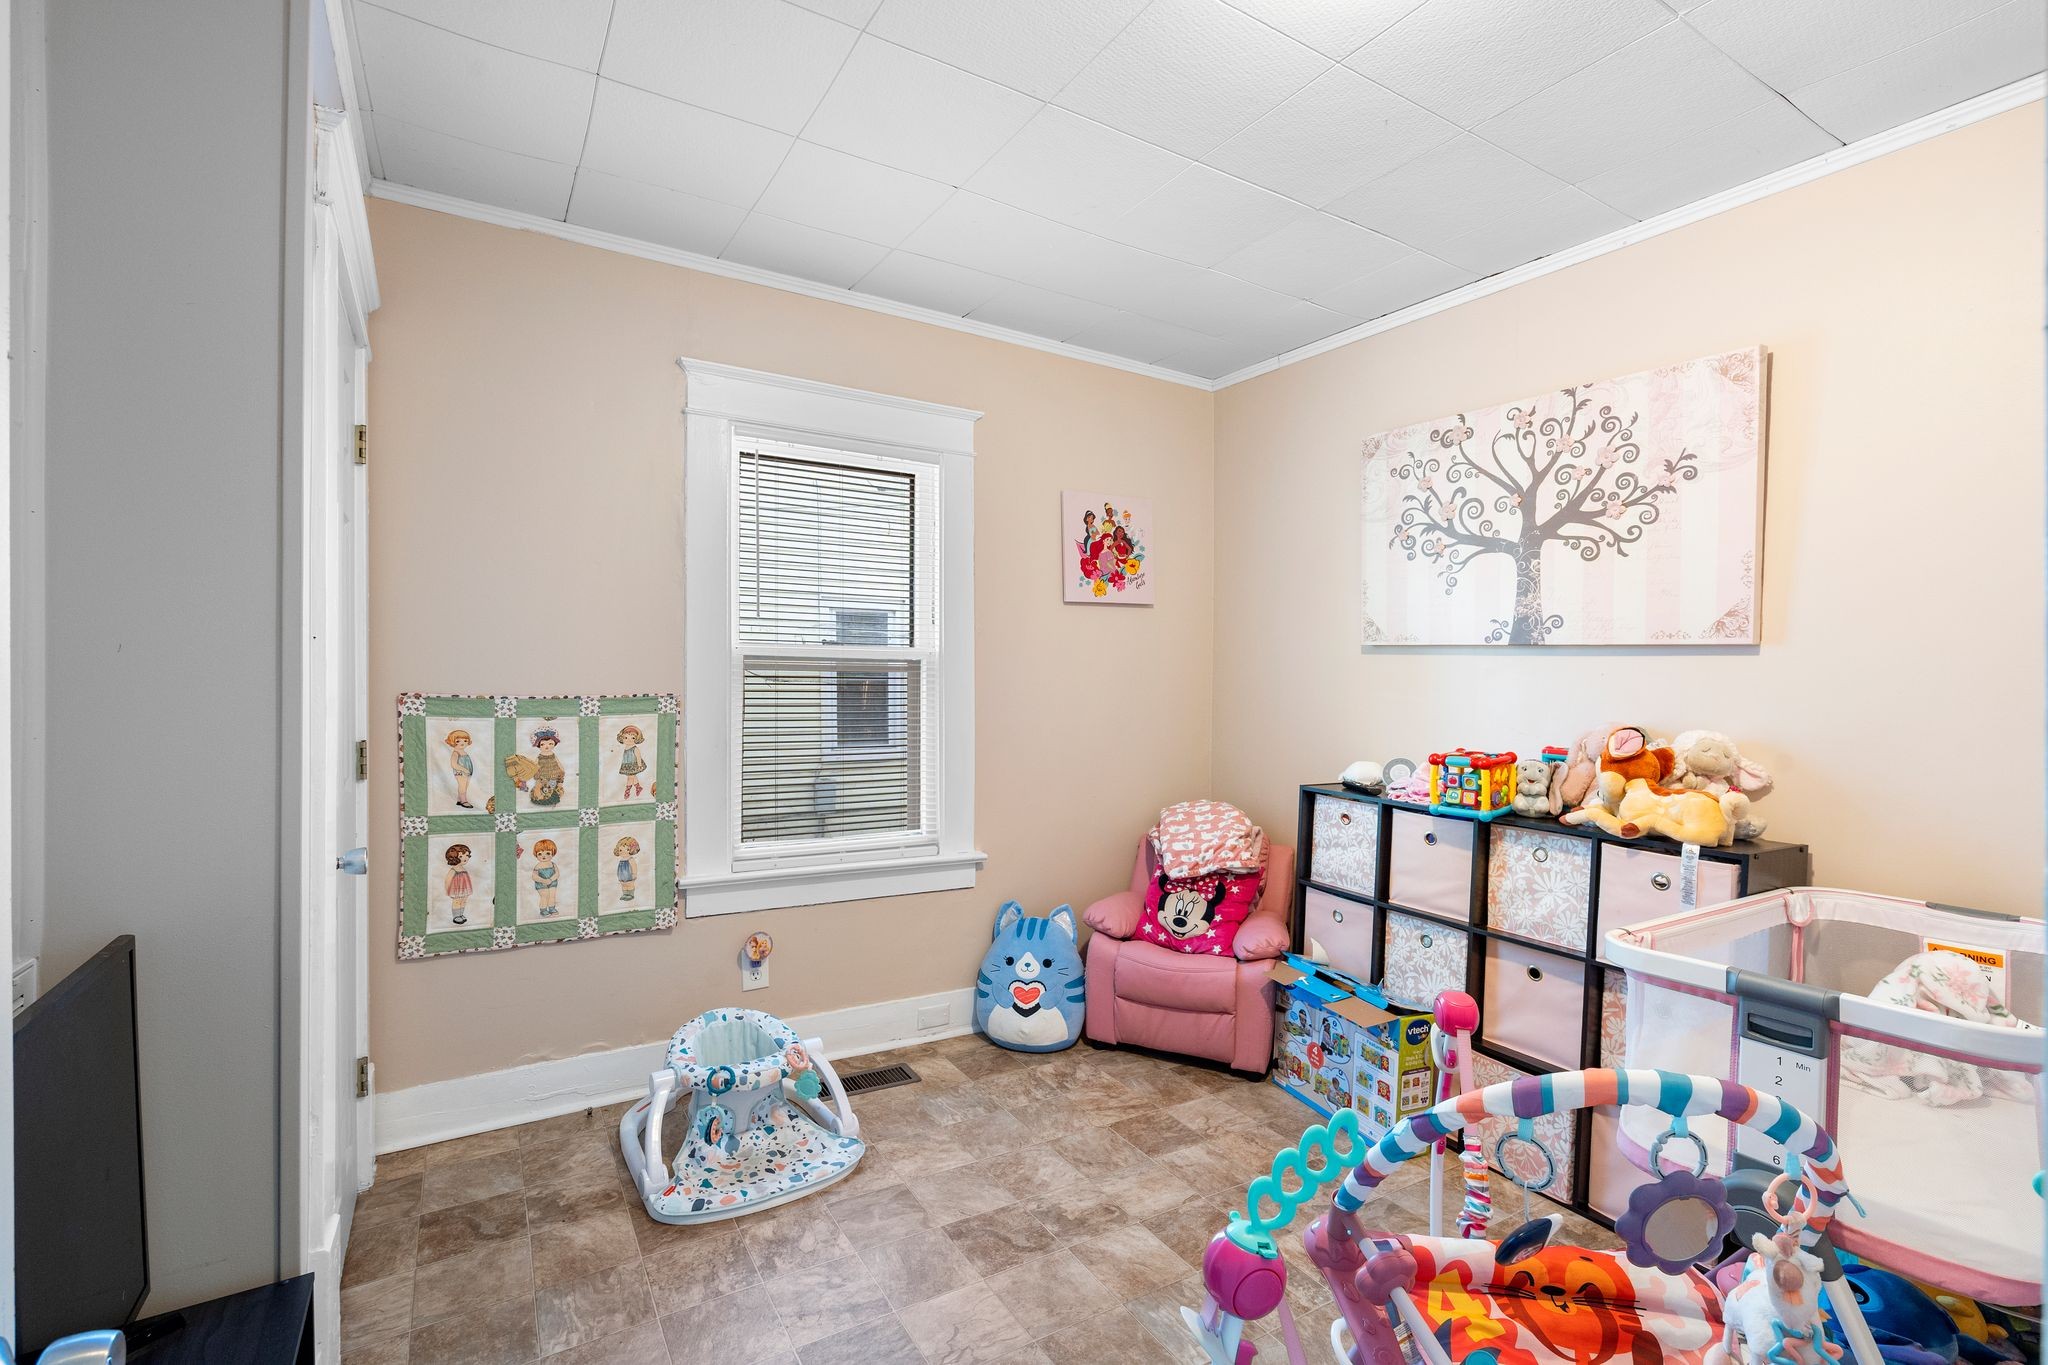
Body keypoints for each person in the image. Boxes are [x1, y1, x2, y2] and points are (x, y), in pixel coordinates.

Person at [444, 843, 474, 925]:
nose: (465, 858)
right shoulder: (454, 870)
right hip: (456, 889)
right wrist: (448, 890)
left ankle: (461, 914)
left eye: (466, 855)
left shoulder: (463, 869)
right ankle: (456, 916)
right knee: (457, 901)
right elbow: (448, 880)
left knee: (464, 900)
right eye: (461, 856)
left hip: (464, 888)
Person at [446, 729, 476, 808]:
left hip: (467, 772)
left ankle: (459, 800)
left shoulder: (463, 752)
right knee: (462, 786)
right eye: (458, 741)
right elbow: (454, 764)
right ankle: (464, 801)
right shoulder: (456, 753)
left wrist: (468, 770)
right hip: (460, 772)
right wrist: (464, 770)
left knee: (465, 785)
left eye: (465, 741)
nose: (462, 743)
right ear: (452, 742)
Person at [616, 724, 647, 801]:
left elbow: (638, 757)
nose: (629, 740)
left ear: (636, 739)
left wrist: (639, 765)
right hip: (627, 765)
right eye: (626, 738)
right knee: (633, 776)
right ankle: (638, 787)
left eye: (632, 738)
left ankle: (627, 791)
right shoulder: (626, 747)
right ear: (622, 738)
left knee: (630, 777)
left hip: (634, 765)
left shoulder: (635, 748)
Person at [532, 838, 560, 916]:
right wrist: (543, 880)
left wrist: (551, 879)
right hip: (541, 884)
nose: (543, 856)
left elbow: (557, 874)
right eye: (540, 854)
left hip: (553, 882)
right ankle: (543, 910)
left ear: (553, 853)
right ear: (536, 855)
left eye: (547, 853)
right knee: (545, 895)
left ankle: (551, 908)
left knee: (552, 895)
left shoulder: (553, 864)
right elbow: (534, 876)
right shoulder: (538, 866)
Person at [613, 835, 640, 903]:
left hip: (629, 875)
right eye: (620, 850)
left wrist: (634, 873)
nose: (623, 852)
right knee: (623, 885)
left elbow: (634, 867)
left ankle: (630, 894)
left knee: (630, 884)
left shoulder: (631, 859)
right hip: (622, 876)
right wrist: (618, 875)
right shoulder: (621, 860)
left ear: (631, 850)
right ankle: (625, 894)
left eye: (627, 849)